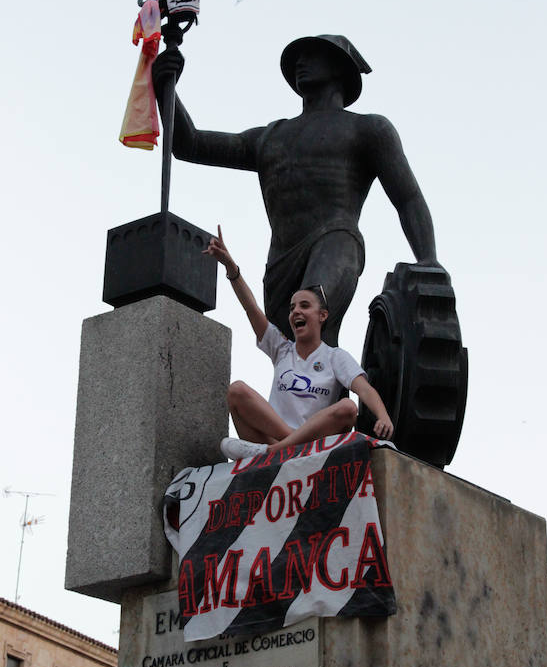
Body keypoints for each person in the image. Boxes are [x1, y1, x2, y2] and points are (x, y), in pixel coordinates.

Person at [152, 34, 440, 346]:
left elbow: (408, 198)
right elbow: (189, 145)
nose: (300, 63)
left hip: (336, 242)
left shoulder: (369, 129)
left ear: (340, 69)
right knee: (297, 354)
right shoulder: (270, 137)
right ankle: (334, 390)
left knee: (312, 310)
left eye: (312, 55)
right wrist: (164, 88)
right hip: (281, 263)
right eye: (298, 59)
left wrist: (428, 261)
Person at [204, 227, 394, 459]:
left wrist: (383, 417)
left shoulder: (335, 357)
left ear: (322, 316)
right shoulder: (282, 350)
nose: (296, 312)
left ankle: (275, 452)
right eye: (292, 307)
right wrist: (230, 267)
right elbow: (251, 308)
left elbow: (365, 389)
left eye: (304, 306)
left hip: (312, 451)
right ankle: (287, 447)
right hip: (275, 441)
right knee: (236, 391)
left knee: (348, 408)